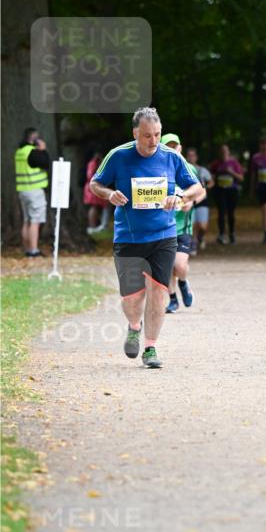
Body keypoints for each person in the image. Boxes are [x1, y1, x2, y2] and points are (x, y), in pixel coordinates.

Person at [90, 108, 203, 369]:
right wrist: (109, 195)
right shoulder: (118, 156)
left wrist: (180, 197)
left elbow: (197, 187)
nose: (153, 141)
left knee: (158, 293)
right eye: (147, 136)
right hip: (128, 237)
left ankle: (150, 347)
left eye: (157, 135)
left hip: (163, 236)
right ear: (135, 133)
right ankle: (134, 326)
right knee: (132, 299)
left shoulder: (171, 157)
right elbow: (95, 184)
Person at [162, 135, 197, 312]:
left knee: (180, 266)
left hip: (183, 226)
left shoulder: (187, 169)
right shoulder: (158, 170)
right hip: (163, 227)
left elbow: (199, 191)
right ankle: (173, 299)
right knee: (168, 267)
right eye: (168, 147)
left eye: (175, 147)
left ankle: (183, 282)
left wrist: (190, 201)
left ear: (180, 148)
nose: (172, 150)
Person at [15, 127, 50, 257]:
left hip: (23, 190)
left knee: (27, 221)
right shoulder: (32, 152)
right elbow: (45, 163)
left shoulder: (20, 151)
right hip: (35, 190)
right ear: (34, 138)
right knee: (35, 221)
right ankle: (34, 250)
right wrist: (43, 150)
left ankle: (27, 249)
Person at [210, 143, 245, 244]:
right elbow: (211, 176)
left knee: (231, 213)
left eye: (225, 151)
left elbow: (241, 178)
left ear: (229, 152)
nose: (223, 153)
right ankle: (221, 234)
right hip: (220, 191)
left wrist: (231, 172)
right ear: (219, 153)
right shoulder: (216, 164)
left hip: (232, 191)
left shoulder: (234, 163)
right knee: (221, 212)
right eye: (221, 151)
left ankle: (232, 233)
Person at [185, 147, 213, 252]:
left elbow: (211, 182)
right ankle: (193, 242)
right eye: (189, 155)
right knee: (192, 224)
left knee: (203, 226)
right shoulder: (184, 170)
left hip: (202, 200)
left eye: (193, 155)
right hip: (189, 200)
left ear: (196, 157)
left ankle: (201, 237)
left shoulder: (202, 170)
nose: (191, 158)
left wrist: (204, 188)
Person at [83, 150, 111, 233]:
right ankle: (93, 226)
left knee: (99, 206)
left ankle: (97, 226)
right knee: (94, 206)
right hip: (92, 187)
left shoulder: (95, 162)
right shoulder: (93, 163)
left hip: (94, 186)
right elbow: (90, 175)